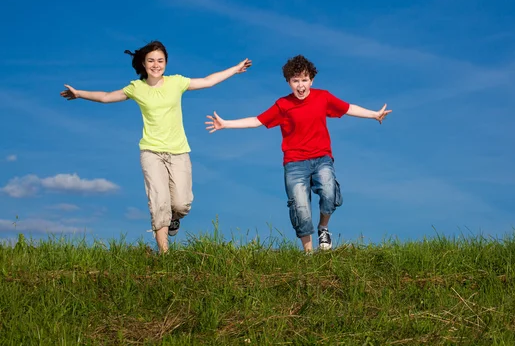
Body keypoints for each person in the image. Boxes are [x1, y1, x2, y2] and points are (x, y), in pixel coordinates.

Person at [60, 40, 252, 254]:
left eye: (160, 60)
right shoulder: (136, 88)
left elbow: (207, 81)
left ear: (166, 63)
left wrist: (235, 69)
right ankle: (164, 253)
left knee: (181, 203)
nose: (156, 64)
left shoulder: (176, 83)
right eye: (151, 60)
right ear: (143, 63)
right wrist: (79, 93)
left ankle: (174, 219)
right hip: (151, 152)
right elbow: (106, 97)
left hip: (178, 151)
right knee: (159, 200)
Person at [205, 55, 391, 252]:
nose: (300, 85)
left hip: (321, 158)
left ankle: (323, 227)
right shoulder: (283, 105)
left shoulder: (323, 97)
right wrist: (225, 124)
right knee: (300, 208)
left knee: (329, 192)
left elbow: (347, 108)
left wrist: (374, 114)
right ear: (288, 82)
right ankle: (309, 254)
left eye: (304, 80)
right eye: (295, 81)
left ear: (312, 80)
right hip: (294, 163)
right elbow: (257, 120)